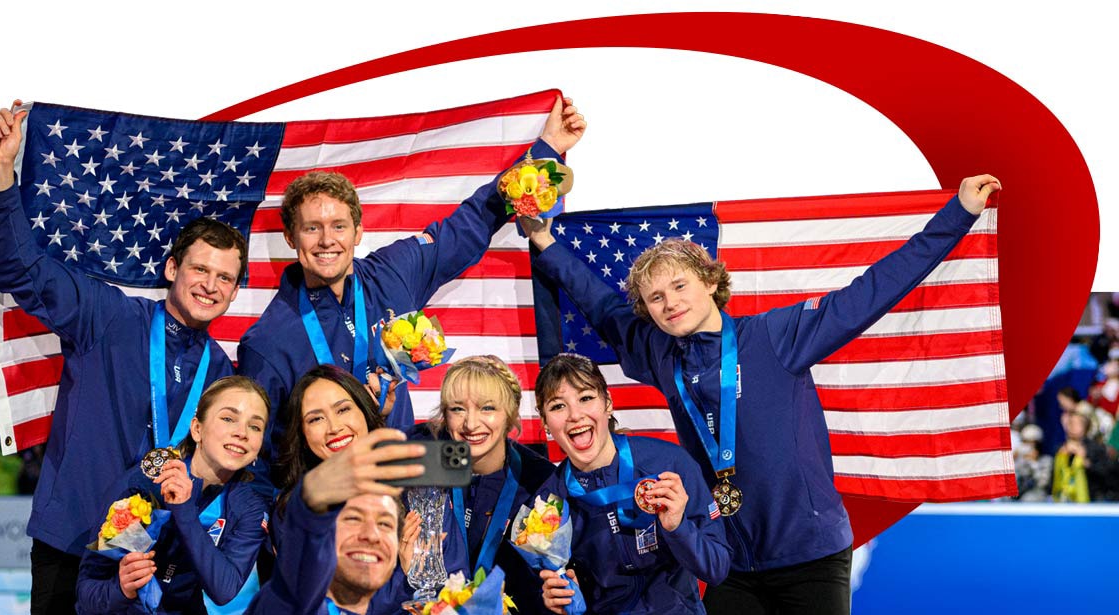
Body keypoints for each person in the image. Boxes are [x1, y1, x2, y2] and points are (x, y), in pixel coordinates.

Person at [522, 175, 1002, 614]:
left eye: (680, 286)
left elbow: (871, 292)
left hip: (809, 556)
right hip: (730, 562)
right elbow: (602, 304)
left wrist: (957, 214)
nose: (670, 303)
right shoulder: (658, 351)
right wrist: (544, 241)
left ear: (711, 281)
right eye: (656, 298)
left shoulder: (776, 336)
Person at [0, 101, 247, 614]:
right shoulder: (109, 315)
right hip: (75, 540)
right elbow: (21, 271)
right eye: (200, 269)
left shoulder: (219, 370)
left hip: (158, 557)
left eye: (225, 278)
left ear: (235, 292)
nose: (210, 286)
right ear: (172, 269)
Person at [236, 97, 587, 450]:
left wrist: (548, 148)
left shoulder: (392, 274)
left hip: (404, 479)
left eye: (339, 226)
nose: (327, 240)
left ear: (358, 232)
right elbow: (262, 459)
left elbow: (468, 225)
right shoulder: (267, 343)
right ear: (290, 237)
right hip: (330, 484)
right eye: (312, 228)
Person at [532, 353, 730, 614]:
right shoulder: (547, 505)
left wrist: (678, 527)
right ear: (545, 422)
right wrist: (558, 599)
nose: (575, 415)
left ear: (608, 403)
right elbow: (551, 591)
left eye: (586, 398)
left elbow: (716, 569)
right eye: (558, 406)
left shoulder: (669, 464)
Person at [77, 376, 271, 614]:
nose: (242, 432)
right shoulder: (144, 485)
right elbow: (87, 592)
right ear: (197, 429)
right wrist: (122, 589)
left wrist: (184, 509)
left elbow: (224, 589)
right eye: (228, 418)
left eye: (255, 426)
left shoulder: (249, 507)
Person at [393, 355, 556, 613]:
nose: (470, 424)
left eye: (487, 408)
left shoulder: (538, 480)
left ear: (511, 413)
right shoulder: (421, 454)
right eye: (457, 409)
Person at [250, 393, 425, 615]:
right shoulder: (292, 511)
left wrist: (407, 574)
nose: (334, 427)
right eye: (316, 418)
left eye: (343, 409)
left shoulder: (411, 496)